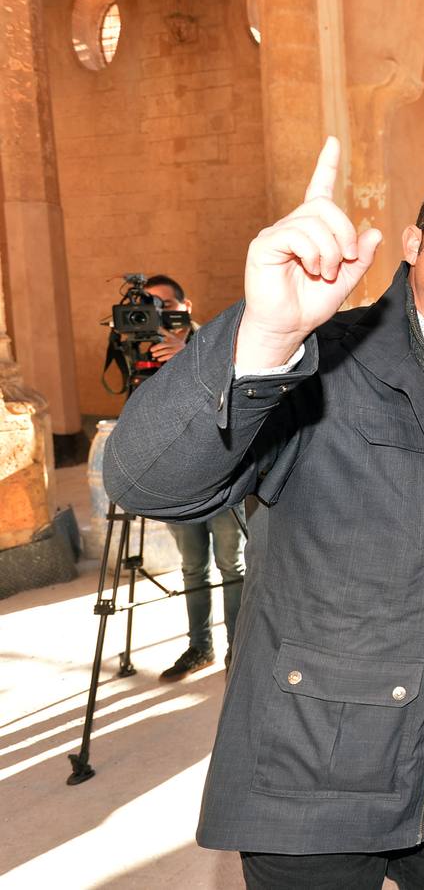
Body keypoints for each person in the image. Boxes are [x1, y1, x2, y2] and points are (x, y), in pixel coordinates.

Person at [104, 138, 424, 889]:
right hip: (315, 752)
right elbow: (144, 483)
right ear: (412, 243)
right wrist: (265, 336)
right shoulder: (320, 357)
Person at [139, 274, 247, 681]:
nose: (158, 314)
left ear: (185, 305)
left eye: (165, 305)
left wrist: (188, 356)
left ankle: (238, 650)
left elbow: (237, 395)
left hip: (221, 472)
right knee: (192, 568)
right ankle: (199, 647)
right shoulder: (142, 348)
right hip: (174, 476)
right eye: (148, 305)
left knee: (231, 565)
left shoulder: (215, 340)